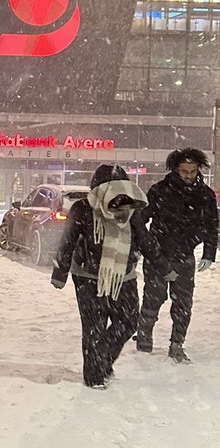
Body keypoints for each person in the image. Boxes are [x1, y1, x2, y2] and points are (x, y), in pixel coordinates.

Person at [51, 163, 164, 388]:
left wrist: (163, 265)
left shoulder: (132, 210)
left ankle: (100, 361)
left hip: (125, 276)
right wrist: (60, 271)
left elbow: (144, 237)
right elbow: (68, 240)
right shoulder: (83, 208)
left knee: (128, 322)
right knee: (94, 327)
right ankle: (94, 377)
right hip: (87, 277)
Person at [136, 147, 218, 363]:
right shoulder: (160, 190)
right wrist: (141, 246)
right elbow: (141, 220)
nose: (189, 176)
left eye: (192, 171)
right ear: (175, 170)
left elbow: (212, 225)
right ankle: (144, 339)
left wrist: (209, 253)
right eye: (184, 171)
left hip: (185, 256)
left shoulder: (205, 195)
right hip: (158, 255)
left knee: (183, 303)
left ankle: (177, 344)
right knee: (153, 299)